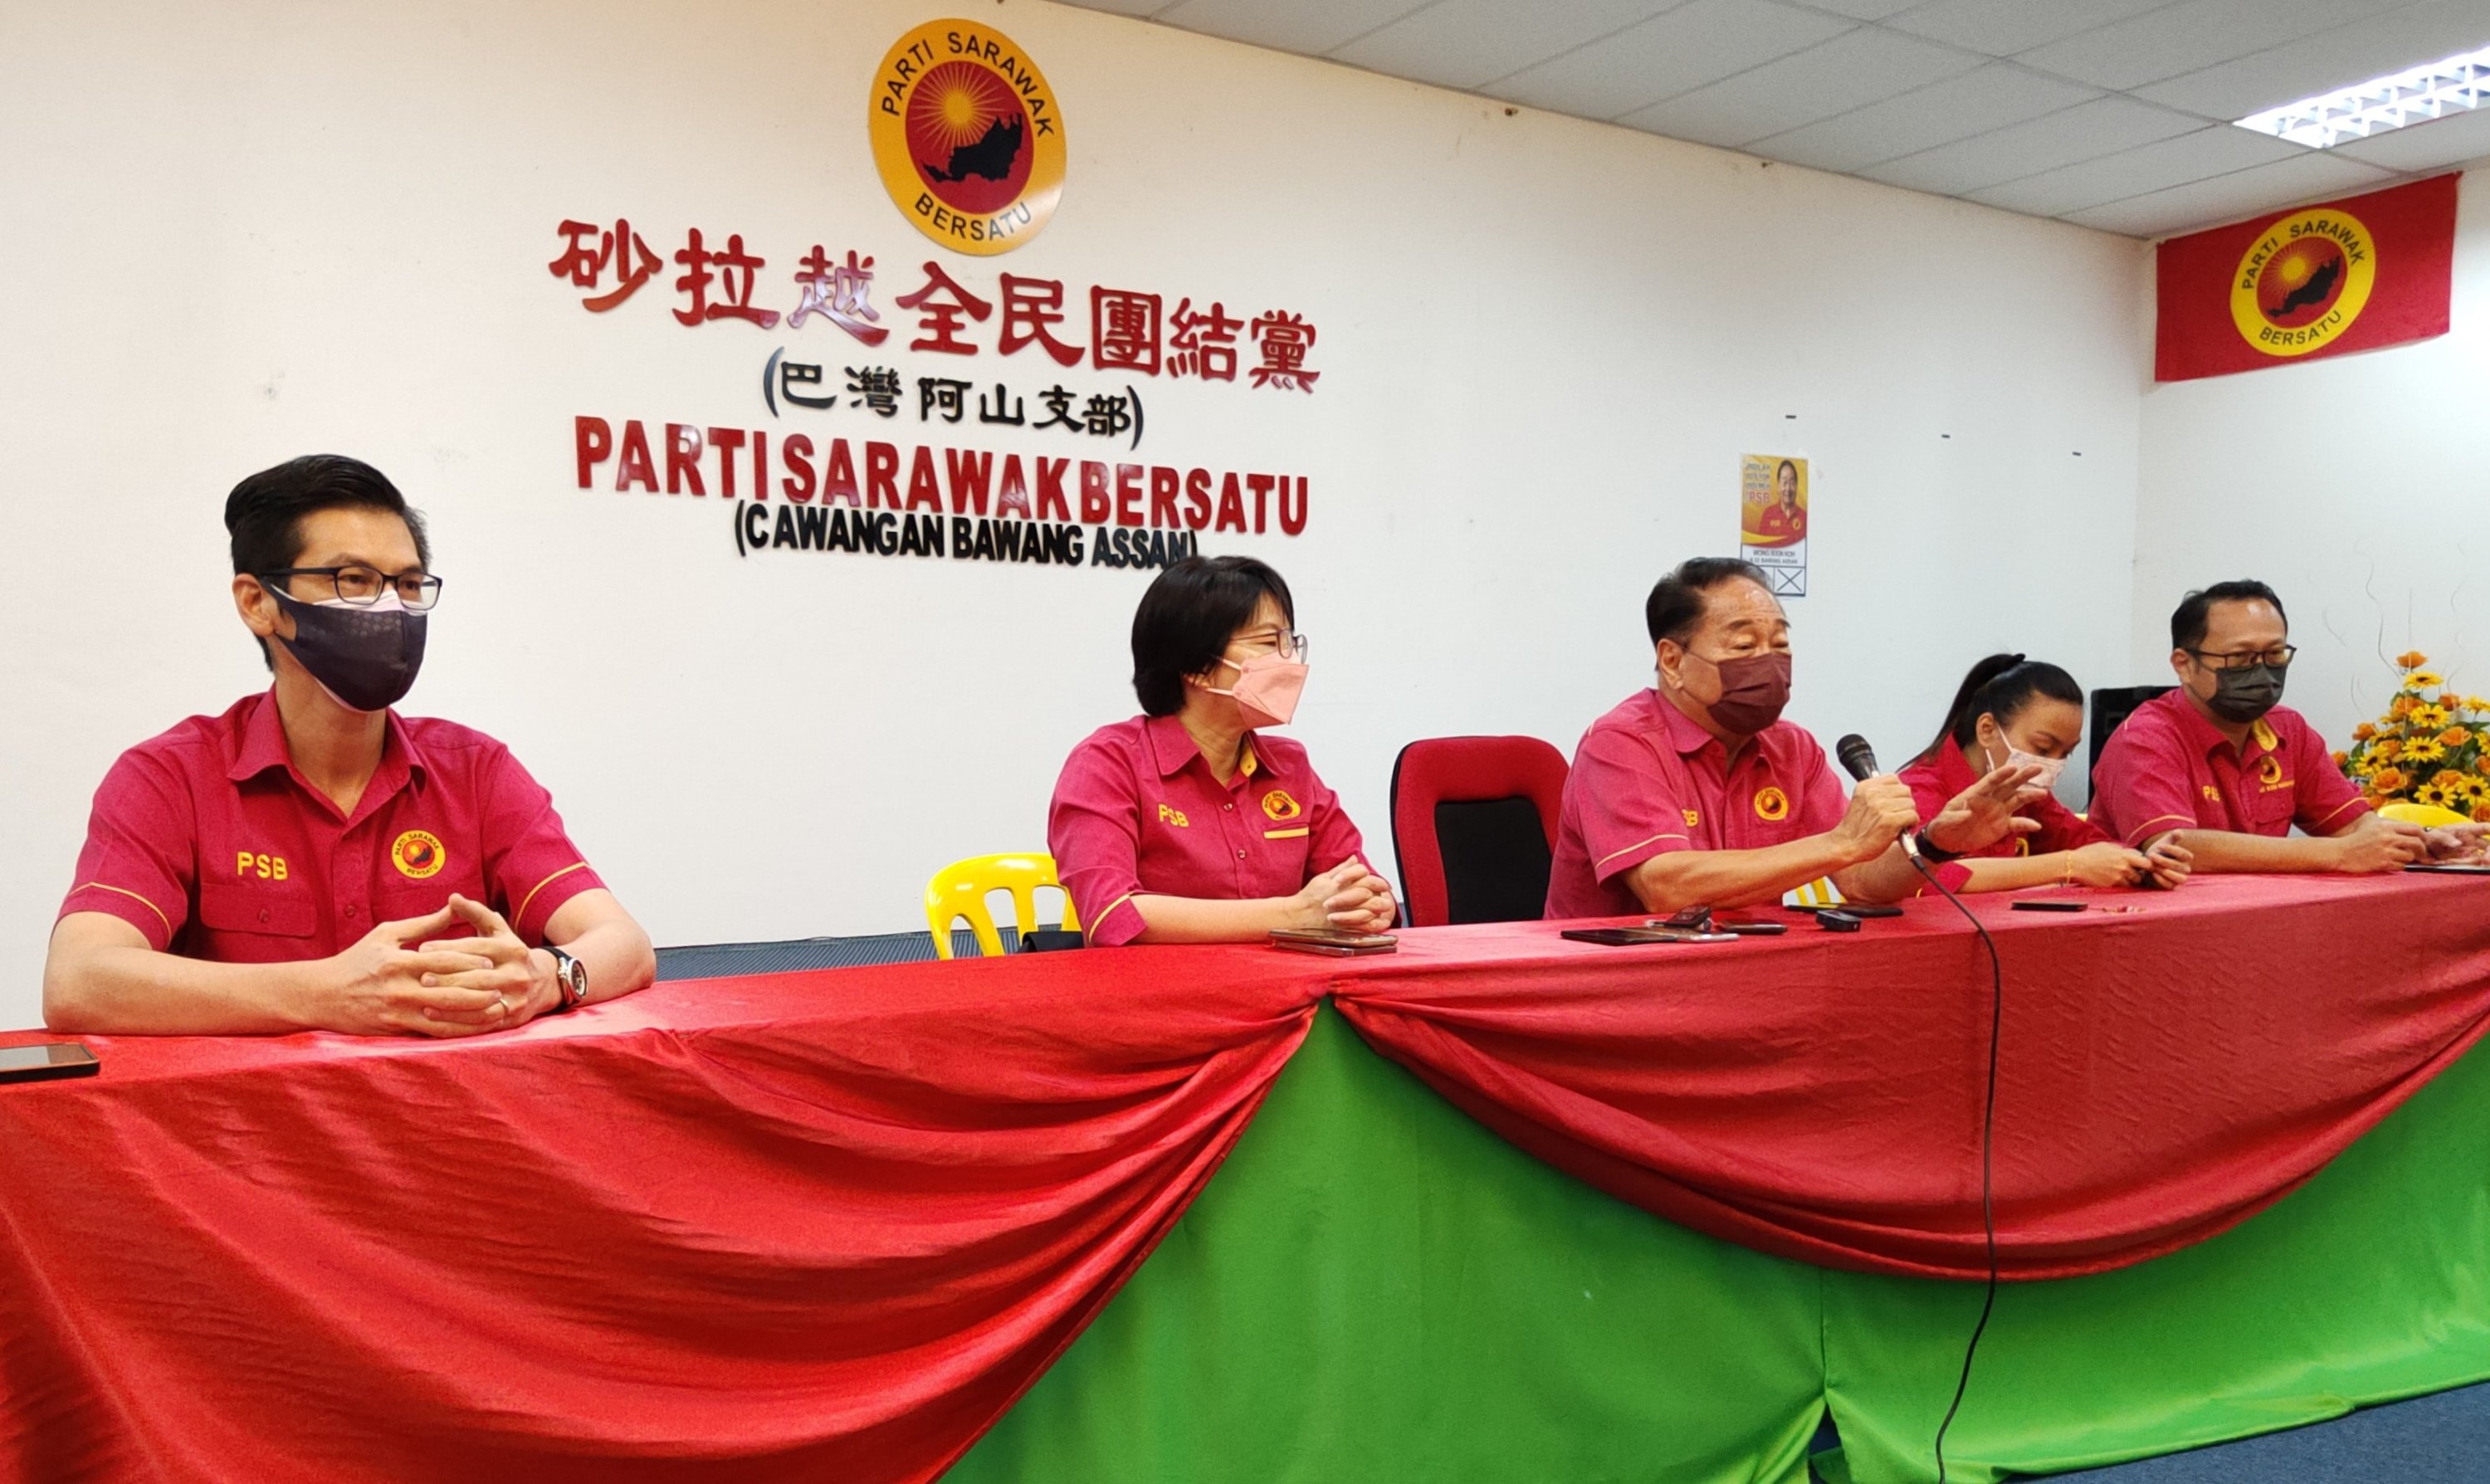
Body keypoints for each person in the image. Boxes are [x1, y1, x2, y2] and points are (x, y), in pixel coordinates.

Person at [42, 456, 654, 1037]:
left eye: (409, 584)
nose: (390, 606)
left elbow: (623, 944)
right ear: (259, 604)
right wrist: (327, 993)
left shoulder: (475, 771)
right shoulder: (170, 777)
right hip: (250, 1135)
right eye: (353, 580)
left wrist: (548, 977)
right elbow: (79, 982)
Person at [1545, 557, 2038, 919]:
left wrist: (1935, 843)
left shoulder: (1792, 748)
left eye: (1780, 644)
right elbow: (1666, 887)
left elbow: (1862, 883)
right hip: (1615, 985)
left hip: (1741, 972)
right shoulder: (1621, 742)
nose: (1769, 662)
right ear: (1673, 661)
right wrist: (1842, 842)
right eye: (1744, 645)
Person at [1049, 555, 1394, 945]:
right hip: (1165, 999)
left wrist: (1370, 902)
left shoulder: (1290, 766)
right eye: (1268, 642)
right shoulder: (1108, 762)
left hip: (1286, 992)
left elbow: (1360, 882)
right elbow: (1113, 914)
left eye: (1289, 642)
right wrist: (1292, 914)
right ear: (1195, 665)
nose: (1289, 661)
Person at [2092, 580, 2486, 871]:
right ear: (2184, 664)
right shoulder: (2145, 737)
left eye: (2275, 653)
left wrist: (2425, 844)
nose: (2261, 671)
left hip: (2261, 918)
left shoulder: (2288, 730)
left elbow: (2353, 827)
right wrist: (2340, 856)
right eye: (2241, 658)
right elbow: (2176, 847)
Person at [1899, 654, 2190, 892]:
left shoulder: (2027, 796)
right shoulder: (1918, 791)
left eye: (2066, 754)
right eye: (2043, 747)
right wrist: (2070, 865)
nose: (2053, 764)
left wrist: (2143, 862)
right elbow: (1930, 873)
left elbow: (2089, 844)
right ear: (1987, 730)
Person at [1755, 459, 1806, 544]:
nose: (1788, 488)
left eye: (1792, 482)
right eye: (1785, 482)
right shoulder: (1768, 515)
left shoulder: (1804, 517)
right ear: (1778, 485)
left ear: (1797, 486)